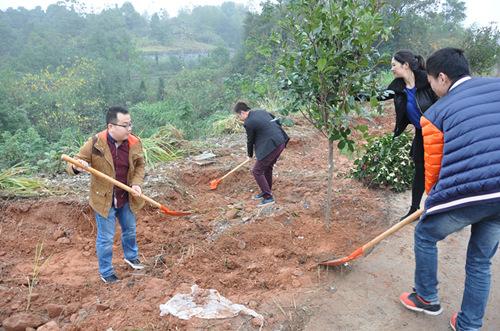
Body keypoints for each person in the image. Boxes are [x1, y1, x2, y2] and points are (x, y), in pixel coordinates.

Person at [399, 47, 500, 331]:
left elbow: (433, 169)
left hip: (473, 191)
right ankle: (469, 325)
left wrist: (428, 201)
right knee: (481, 261)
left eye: (430, 81)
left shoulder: (436, 113)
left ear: (442, 77)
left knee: (425, 233)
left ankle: (426, 297)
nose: (431, 87)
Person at [67, 106, 146, 284]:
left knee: (130, 230)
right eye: (125, 125)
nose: (129, 129)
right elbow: (74, 164)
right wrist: (76, 166)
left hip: (126, 196)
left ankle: (131, 257)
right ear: (111, 126)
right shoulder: (96, 143)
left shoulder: (134, 142)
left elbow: (140, 164)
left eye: (130, 124)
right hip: (104, 199)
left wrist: (136, 183)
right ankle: (106, 271)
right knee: (106, 238)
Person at [383, 50, 438, 220]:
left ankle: (445, 209)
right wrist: (344, 97)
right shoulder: (398, 86)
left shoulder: (428, 80)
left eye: (394, 65)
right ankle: (414, 210)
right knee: (420, 171)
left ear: (405, 65)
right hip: (421, 134)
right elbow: (378, 95)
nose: (391, 69)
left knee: (441, 171)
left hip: (438, 133)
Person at [233, 101, 289, 207]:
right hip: (281, 140)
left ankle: (268, 197)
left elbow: (250, 140)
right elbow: (276, 120)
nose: (239, 118)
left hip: (272, 145)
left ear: (242, 113)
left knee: (257, 171)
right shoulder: (261, 111)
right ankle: (266, 191)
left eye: (238, 116)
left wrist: (249, 154)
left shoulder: (248, 122)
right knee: (267, 167)